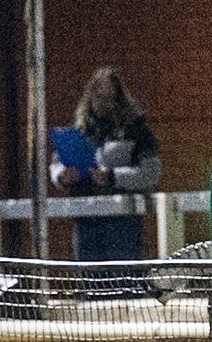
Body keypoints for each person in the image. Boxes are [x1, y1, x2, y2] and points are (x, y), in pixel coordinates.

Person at [51, 67, 161, 272]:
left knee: (124, 287)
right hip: (86, 222)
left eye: (109, 97)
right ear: (89, 98)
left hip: (122, 225)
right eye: (99, 97)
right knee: (93, 292)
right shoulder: (80, 131)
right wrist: (62, 176)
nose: (103, 103)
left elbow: (151, 174)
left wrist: (112, 177)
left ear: (120, 99)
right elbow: (56, 164)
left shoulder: (137, 131)